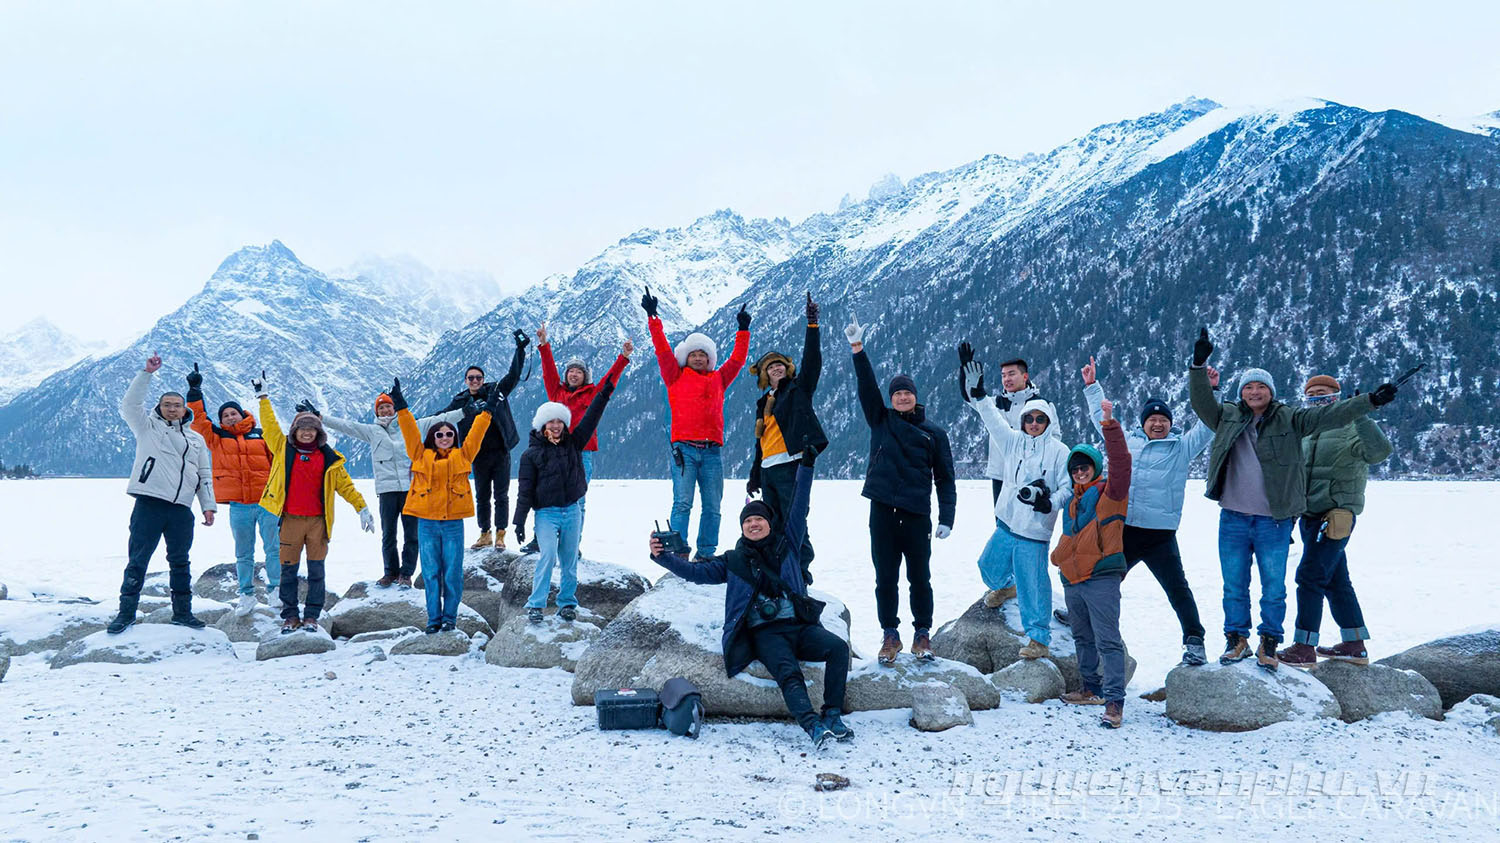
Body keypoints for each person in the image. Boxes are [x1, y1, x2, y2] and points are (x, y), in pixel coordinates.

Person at [1189, 328, 1398, 670]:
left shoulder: (1291, 419)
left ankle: (1273, 643)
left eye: (1261, 387)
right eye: (1248, 387)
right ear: (1241, 393)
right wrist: (1198, 365)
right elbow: (1201, 403)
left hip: (1282, 519)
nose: (1255, 392)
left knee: (1278, 586)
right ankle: (1237, 640)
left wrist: (1368, 403)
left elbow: (1333, 416)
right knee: (1236, 585)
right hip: (1242, 518)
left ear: (1271, 392)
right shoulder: (1227, 416)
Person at [648, 445, 852, 749]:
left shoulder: (789, 545)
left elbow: (799, 503)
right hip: (766, 633)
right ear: (742, 528)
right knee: (788, 673)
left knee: (837, 648)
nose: (754, 524)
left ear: (769, 523)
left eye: (759, 519)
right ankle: (812, 726)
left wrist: (806, 465)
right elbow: (696, 574)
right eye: (747, 521)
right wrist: (663, 558)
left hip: (799, 626)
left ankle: (833, 714)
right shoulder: (734, 560)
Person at [1080, 355, 1217, 666]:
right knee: (1102, 578)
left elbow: (1208, 425)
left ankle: (1195, 640)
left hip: (1160, 535)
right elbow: (1101, 421)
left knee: (1177, 589)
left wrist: (1211, 392)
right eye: (1152, 419)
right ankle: (1082, 616)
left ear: (1170, 424)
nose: (1158, 423)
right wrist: (1091, 387)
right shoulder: (1129, 444)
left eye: (1163, 420)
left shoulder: (1181, 448)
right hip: (1126, 530)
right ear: (1143, 424)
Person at [849, 318, 956, 665]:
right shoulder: (880, 421)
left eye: (906, 392)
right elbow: (866, 387)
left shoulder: (933, 433)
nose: (902, 397)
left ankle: (922, 634)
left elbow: (945, 478)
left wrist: (947, 518)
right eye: (896, 393)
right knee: (885, 578)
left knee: (919, 577)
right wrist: (858, 350)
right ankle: (890, 636)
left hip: (915, 512)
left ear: (915, 396)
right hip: (881, 510)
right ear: (892, 399)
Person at [960, 345, 1069, 661]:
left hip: (1034, 533)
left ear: (1047, 420)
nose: (1034, 423)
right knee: (987, 567)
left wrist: (1051, 502)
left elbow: (1066, 488)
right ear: (1022, 421)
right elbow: (992, 419)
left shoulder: (1059, 451)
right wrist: (980, 395)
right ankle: (1005, 586)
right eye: (1029, 419)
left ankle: (1038, 639)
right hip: (1007, 523)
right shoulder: (1012, 442)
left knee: (1033, 588)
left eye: (1039, 419)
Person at [1277, 374, 1393, 668]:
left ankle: (1304, 647)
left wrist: (1363, 413)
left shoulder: (1352, 424)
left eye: (1324, 393)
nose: (1317, 397)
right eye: (1312, 393)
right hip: (1308, 515)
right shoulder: (1305, 428)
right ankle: (1354, 644)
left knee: (1310, 577)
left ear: (1337, 397)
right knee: (1336, 580)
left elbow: (1379, 452)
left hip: (1336, 515)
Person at [253, 372, 373, 635]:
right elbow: (270, 425)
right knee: (288, 572)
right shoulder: (283, 449)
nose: (307, 433)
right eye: (302, 429)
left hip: (318, 523)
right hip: (291, 521)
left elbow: (346, 486)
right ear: (295, 431)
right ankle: (290, 616)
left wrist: (361, 507)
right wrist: (263, 397)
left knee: (317, 571)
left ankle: (311, 617)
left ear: (318, 433)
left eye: (311, 429)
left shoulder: (329, 459)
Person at [108, 354, 218, 634]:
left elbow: (204, 475)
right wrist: (147, 373)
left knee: (180, 562)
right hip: (149, 504)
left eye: (177, 405)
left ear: (184, 410)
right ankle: (126, 614)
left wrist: (208, 506)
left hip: (182, 509)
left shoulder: (196, 439)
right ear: (160, 407)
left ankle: (183, 613)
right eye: (167, 405)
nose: (172, 409)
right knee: (138, 561)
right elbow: (130, 405)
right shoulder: (147, 427)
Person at [641, 285, 750, 561]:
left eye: (703, 354)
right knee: (682, 503)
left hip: (713, 451)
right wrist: (653, 318)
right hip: (684, 451)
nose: (698, 357)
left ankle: (706, 554)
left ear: (710, 358)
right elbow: (662, 350)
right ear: (686, 358)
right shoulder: (674, 376)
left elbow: (737, 360)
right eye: (693, 354)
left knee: (713, 506)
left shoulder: (718, 379)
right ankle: (678, 553)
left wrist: (743, 331)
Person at [1044, 393, 1133, 728]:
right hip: (1074, 580)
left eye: (1086, 466)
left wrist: (1109, 423)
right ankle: (1090, 688)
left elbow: (1122, 461)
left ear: (1095, 467)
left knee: (1108, 640)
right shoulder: (1071, 504)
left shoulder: (1111, 493)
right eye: (1075, 468)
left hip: (1101, 577)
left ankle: (1114, 702)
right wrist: (1060, 561)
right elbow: (1069, 539)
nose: (1080, 472)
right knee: (1082, 638)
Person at [322, 393, 463, 588]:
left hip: (411, 489)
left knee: (411, 534)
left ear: (394, 409)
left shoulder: (411, 425)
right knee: (389, 534)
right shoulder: (372, 431)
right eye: (381, 408)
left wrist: (465, 412)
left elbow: (441, 420)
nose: (385, 410)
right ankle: (390, 572)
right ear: (376, 412)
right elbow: (347, 426)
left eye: (388, 406)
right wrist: (319, 418)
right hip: (387, 490)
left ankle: (406, 574)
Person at [393, 378, 495, 633]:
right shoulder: (419, 454)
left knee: (452, 574)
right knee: (430, 574)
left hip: (452, 525)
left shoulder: (464, 455)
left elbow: (477, 433)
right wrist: (401, 407)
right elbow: (409, 431)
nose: (445, 437)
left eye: (450, 434)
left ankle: (450, 618)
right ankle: (432, 620)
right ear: (432, 437)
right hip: (426, 523)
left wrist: (488, 411)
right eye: (440, 434)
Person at [512, 377, 617, 624]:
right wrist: (519, 522)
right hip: (546, 514)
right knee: (547, 556)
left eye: (560, 421)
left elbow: (592, 417)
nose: (556, 425)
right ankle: (536, 604)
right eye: (552, 421)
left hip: (572, 511)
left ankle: (567, 603)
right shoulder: (531, 454)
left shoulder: (574, 444)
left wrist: (603, 394)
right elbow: (525, 491)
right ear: (542, 425)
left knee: (569, 561)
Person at [184, 362, 278, 617]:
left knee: (274, 548)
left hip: (267, 502)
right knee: (244, 553)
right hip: (239, 505)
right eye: (225, 416)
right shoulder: (216, 438)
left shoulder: (260, 435)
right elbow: (200, 421)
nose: (229, 417)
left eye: (233, 414)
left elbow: (278, 463)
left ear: (241, 414)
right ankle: (246, 595)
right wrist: (195, 393)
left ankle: (276, 591)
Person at [746, 292, 827, 581]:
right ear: (765, 375)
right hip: (769, 469)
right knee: (774, 523)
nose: (776, 367)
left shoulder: (798, 390)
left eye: (779, 364)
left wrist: (812, 325)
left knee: (795, 521)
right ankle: (782, 569)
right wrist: (755, 474)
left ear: (787, 368)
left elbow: (813, 362)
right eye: (770, 366)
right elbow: (761, 443)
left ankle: (801, 570)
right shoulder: (763, 402)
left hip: (793, 465)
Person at [535, 322, 632, 552]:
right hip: (554, 451)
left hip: (582, 453)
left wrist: (623, 357)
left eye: (579, 371)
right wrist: (543, 344)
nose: (574, 374)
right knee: (549, 498)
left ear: (585, 376)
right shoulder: (556, 392)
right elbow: (549, 371)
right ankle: (545, 543)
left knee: (578, 501)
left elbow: (610, 380)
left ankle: (571, 546)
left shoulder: (592, 394)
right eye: (570, 371)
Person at [437, 329, 527, 550]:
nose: (475, 380)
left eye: (478, 377)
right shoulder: (460, 401)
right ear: (466, 381)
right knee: (482, 496)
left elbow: (513, 375)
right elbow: (441, 418)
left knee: (502, 496)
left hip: (501, 451)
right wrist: (409, 420)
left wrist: (520, 350)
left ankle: (501, 534)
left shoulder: (496, 391)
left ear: (483, 380)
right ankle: (485, 533)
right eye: (471, 378)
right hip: (476, 455)